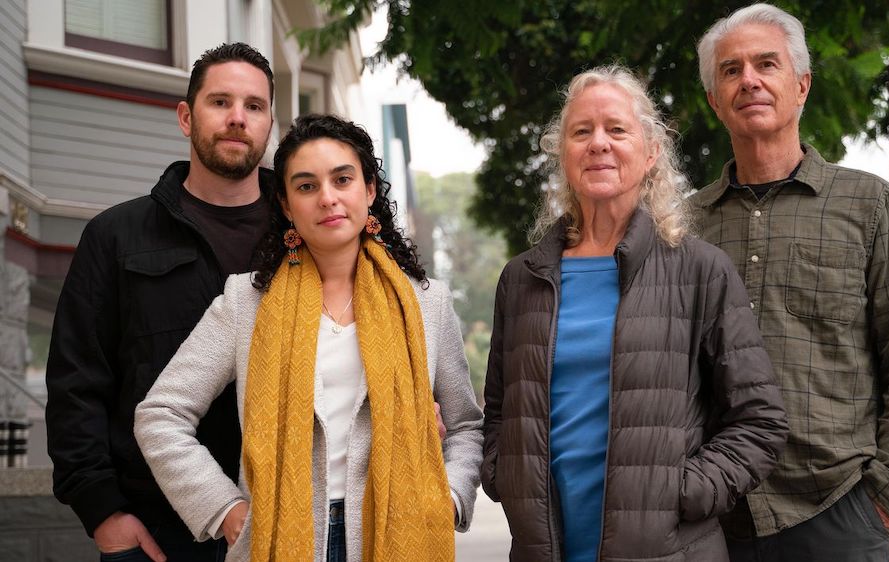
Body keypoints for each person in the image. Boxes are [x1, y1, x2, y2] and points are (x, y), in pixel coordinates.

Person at [134, 114, 484, 562]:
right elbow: (160, 415)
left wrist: (447, 501)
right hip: (278, 539)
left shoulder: (426, 304)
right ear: (285, 205)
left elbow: (466, 426)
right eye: (306, 186)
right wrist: (223, 509)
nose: (328, 198)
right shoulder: (247, 302)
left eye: (342, 179)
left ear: (370, 190)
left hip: (401, 534)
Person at [480, 65, 789, 561]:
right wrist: (504, 475)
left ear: (651, 153)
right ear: (562, 154)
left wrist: (679, 492)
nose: (598, 143)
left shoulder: (700, 271)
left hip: (668, 550)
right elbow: (498, 411)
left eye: (616, 129)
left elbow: (760, 421)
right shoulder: (522, 279)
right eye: (581, 132)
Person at [689, 4, 889, 561]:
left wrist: (882, 498)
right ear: (714, 100)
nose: (749, 80)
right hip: (711, 523)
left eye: (766, 64)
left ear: (802, 85)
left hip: (839, 513)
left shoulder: (870, 205)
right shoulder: (682, 227)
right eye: (730, 71)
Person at [45, 43, 275, 562]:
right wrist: (103, 513)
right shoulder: (116, 236)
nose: (238, 119)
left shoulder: (303, 235)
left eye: (254, 106)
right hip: (157, 535)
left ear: (269, 124)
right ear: (185, 116)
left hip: (286, 525)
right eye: (220, 102)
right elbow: (75, 384)